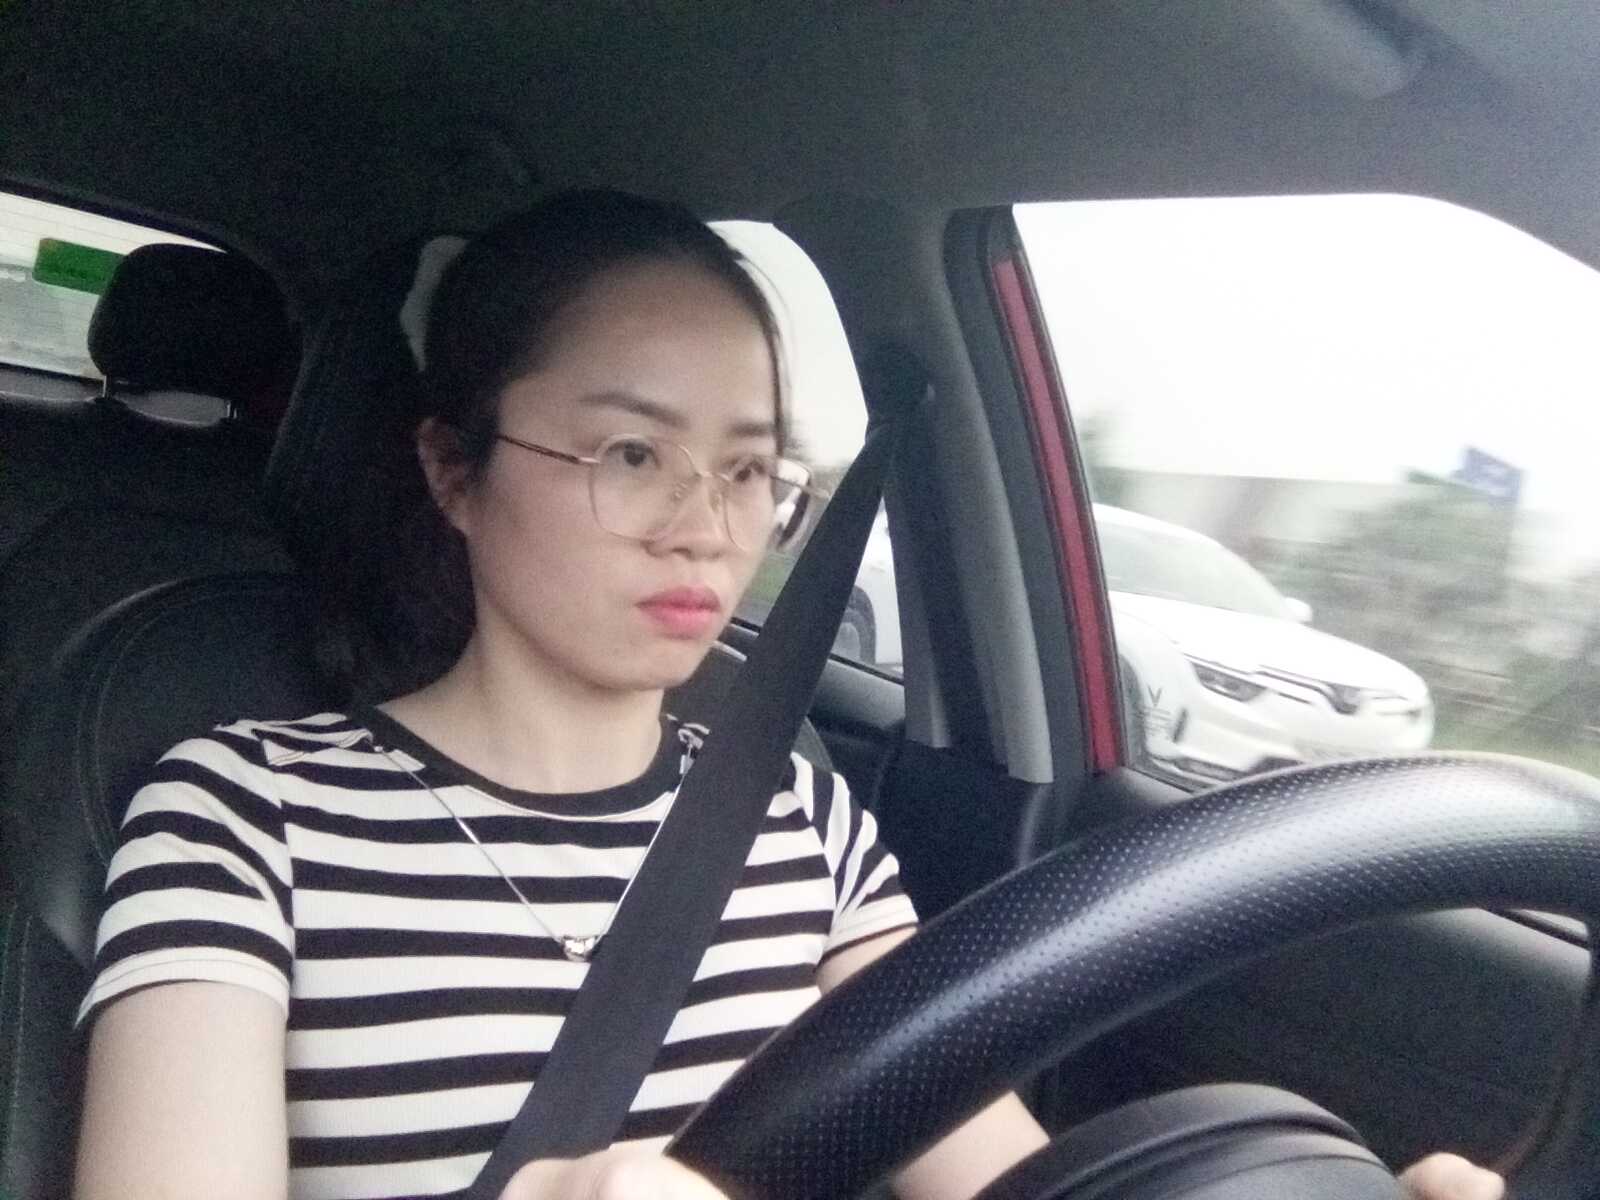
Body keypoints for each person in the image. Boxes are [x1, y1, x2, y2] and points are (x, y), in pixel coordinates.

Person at [71, 190, 1503, 1200]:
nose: (708, 526)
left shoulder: (797, 820)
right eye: (632, 454)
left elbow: (996, 1174)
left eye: (751, 468)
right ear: (455, 469)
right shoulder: (243, 815)